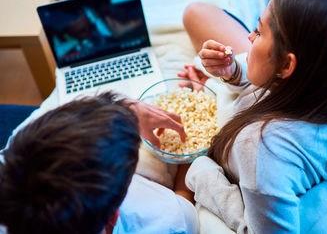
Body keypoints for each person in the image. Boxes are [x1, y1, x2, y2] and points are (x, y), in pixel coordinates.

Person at [179, 0, 327, 233]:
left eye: (258, 31)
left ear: (286, 65)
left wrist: (202, 174)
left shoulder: (261, 150)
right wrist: (234, 72)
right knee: (195, 13)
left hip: (241, 169)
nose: (249, 36)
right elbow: (267, 90)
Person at [0, 92, 197, 234]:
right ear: (112, 220)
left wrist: (125, 110)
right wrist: (189, 151)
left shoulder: (10, 160)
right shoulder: (167, 221)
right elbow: (184, 205)